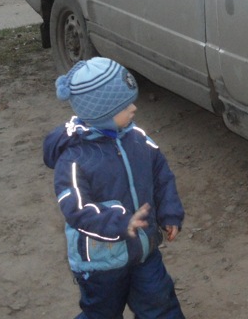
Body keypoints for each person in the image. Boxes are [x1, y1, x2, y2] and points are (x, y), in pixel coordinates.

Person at [43, 57, 186, 319]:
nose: (133, 108)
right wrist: (121, 223)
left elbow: (162, 175)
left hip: (144, 251)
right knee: (101, 313)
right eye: (124, 105)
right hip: (101, 261)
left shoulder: (138, 139)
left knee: (161, 304)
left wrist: (169, 213)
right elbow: (75, 209)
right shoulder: (74, 159)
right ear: (101, 113)